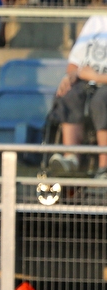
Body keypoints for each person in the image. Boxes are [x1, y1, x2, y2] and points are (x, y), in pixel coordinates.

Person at [48, 15, 107, 179]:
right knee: (69, 94)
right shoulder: (96, 21)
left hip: (100, 83)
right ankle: (71, 158)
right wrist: (71, 76)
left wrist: (96, 76)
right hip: (87, 80)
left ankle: (104, 167)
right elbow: (74, 64)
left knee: (101, 101)